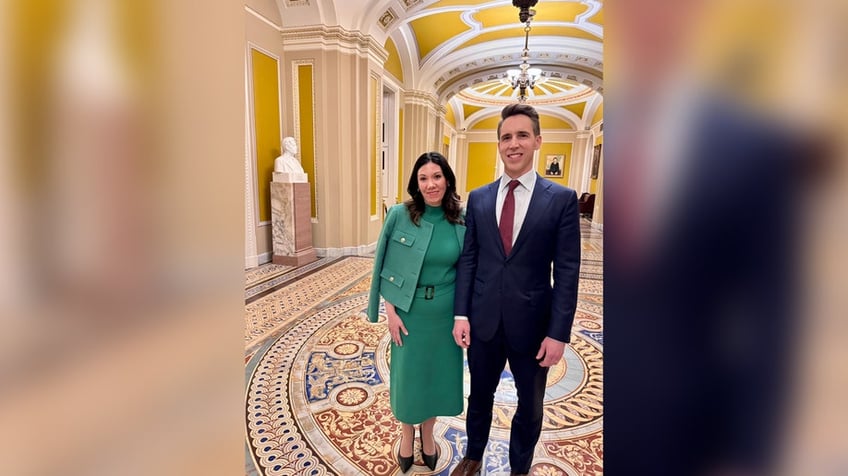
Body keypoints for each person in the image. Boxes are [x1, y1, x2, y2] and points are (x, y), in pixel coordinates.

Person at [450, 103, 581, 476]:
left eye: (522, 135)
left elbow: (568, 270)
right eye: (506, 137)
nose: (514, 143)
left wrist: (558, 334)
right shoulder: (478, 198)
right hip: (484, 322)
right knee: (479, 396)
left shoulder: (560, 199)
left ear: (538, 141)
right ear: (499, 144)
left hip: (534, 327)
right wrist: (462, 313)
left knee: (530, 405)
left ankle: (519, 467)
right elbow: (470, 260)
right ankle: (473, 456)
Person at [367, 152, 466, 473]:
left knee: (436, 378)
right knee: (409, 379)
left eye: (436, 176)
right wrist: (389, 311)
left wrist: (466, 316)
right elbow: (384, 265)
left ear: (447, 179)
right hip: (408, 314)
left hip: (446, 316)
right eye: (423, 178)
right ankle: (407, 434)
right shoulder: (399, 215)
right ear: (416, 183)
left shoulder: (460, 219)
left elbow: (468, 269)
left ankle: (428, 434)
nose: (430, 184)